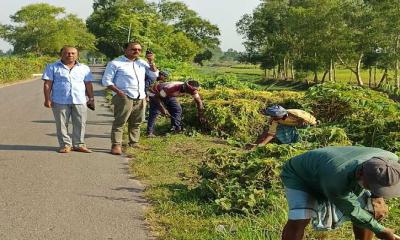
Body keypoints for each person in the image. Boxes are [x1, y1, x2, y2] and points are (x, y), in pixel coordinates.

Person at [281, 146, 400, 240]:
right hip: (300, 176)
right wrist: (380, 230)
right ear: (360, 175)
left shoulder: (391, 161)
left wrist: (377, 197)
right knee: (300, 218)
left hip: (330, 167)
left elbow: (380, 177)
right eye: (373, 187)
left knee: (369, 210)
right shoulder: (336, 181)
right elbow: (353, 210)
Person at [102, 41, 158, 155]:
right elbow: (106, 81)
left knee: (137, 122)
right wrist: (118, 92)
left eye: (139, 50)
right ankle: (116, 145)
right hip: (124, 96)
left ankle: (134, 142)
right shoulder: (116, 63)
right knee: (120, 122)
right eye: (133, 49)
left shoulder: (142, 63)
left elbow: (154, 75)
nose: (136, 51)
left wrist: (151, 62)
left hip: (140, 96)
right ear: (126, 50)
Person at [42, 46, 94, 153]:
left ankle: (79, 144)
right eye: (67, 53)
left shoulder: (84, 68)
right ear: (61, 54)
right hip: (60, 100)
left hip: (80, 100)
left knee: (80, 123)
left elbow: (88, 84)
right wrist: (47, 99)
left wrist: (91, 98)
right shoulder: (52, 67)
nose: (70, 55)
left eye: (73, 53)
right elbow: (48, 84)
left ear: (77, 55)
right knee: (61, 124)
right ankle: (65, 145)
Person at [246, 105, 316, 149]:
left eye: (275, 117)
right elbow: (271, 133)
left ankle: (301, 144)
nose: (273, 118)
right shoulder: (275, 120)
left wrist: (310, 125)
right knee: (279, 130)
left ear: (281, 114)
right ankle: (289, 145)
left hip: (303, 125)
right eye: (272, 117)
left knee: (302, 135)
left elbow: (312, 122)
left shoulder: (296, 114)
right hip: (288, 125)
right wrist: (262, 144)